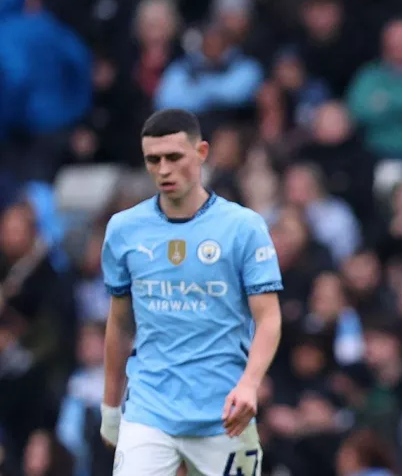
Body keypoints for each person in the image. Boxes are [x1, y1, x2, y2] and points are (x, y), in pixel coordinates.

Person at [99, 109, 283, 475]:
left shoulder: (243, 228)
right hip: (149, 412)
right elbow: (120, 325)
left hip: (224, 414)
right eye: (153, 160)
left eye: (173, 157)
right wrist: (109, 407)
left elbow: (269, 318)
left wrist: (250, 384)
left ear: (201, 153)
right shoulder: (124, 229)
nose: (163, 169)